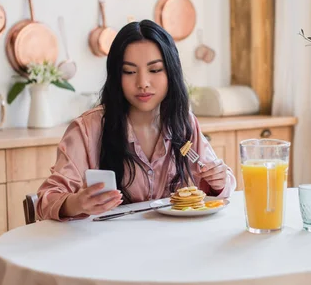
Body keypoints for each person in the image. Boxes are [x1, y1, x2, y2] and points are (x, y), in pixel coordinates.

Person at [36, 20, 236, 221]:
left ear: (171, 72)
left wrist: (219, 180)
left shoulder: (184, 123)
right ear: (116, 76)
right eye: (130, 72)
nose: (143, 83)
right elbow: (47, 199)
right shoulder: (88, 129)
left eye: (155, 70)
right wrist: (77, 203)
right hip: (110, 246)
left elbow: (222, 183)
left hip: (173, 243)